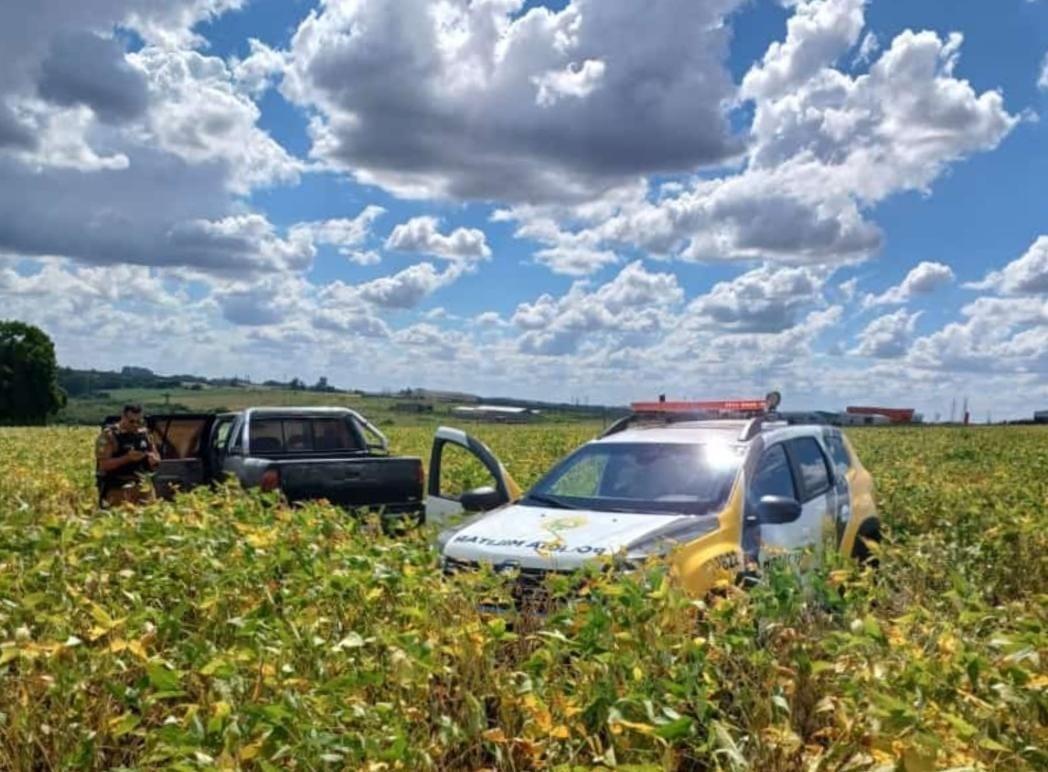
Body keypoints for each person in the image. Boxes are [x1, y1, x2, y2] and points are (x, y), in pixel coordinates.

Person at [95, 403, 160, 508]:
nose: (135, 425)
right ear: (123, 417)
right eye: (131, 421)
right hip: (118, 488)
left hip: (144, 487)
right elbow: (103, 465)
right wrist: (127, 458)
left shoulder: (145, 435)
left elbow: (156, 456)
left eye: (139, 421)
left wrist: (154, 460)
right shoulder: (110, 436)